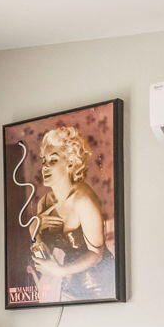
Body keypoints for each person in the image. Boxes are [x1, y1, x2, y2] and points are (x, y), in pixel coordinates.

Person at [28, 126, 113, 302]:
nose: (44, 167)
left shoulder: (83, 201)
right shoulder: (44, 202)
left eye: (53, 160)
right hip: (67, 284)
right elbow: (42, 247)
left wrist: (59, 271)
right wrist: (34, 227)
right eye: (43, 160)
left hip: (99, 287)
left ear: (70, 162)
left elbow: (96, 254)